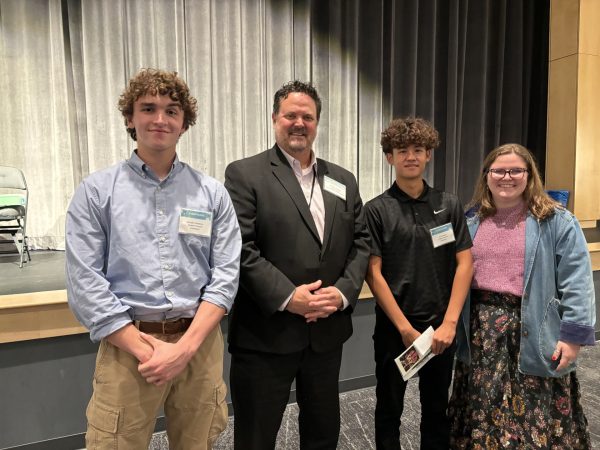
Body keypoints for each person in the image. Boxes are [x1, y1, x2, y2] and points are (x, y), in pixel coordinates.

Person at [65, 68, 241, 450]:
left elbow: (225, 277)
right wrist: (150, 350)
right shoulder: (96, 192)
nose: (160, 119)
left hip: (199, 347)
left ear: (184, 123)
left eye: (171, 110)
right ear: (130, 118)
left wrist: (185, 349)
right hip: (128, 349)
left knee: (198, 443)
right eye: (148, 108)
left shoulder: (211, 194)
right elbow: (85, 284)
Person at [224, 80, 370, 449]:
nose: (299, 123)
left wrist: (340, 294)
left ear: (317, 122)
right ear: (275, 119)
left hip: (326, 333)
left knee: (322, 435)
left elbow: (361, 243)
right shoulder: (245, 174)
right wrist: (291, 298)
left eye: (307, 116)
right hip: (266, 334)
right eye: (291, 115)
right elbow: (241, 248)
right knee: (256, 437)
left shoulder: (343, 180)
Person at [449, 143, 596, 449]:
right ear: (486, 176)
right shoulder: (471, 221)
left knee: (532, 413)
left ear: (529, 176)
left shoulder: (556, 221)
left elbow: (577, 283)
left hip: (534, 331)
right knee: (484, 409)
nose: (507, 177)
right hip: (482, 335)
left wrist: (572, 339)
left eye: (516, 170)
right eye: (499, 170)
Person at [364, 117, 473, 449]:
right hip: (394, 330)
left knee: (436, 410)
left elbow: (465, 262)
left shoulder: (449, 204)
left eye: (417, 150)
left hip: (441, 329)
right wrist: (404, 328)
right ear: (389, 157)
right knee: (389, 411)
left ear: (428, 155)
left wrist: (451, 323)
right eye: (401, 150)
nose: (410, 156)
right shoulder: (376, 210)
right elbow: (373, 273)